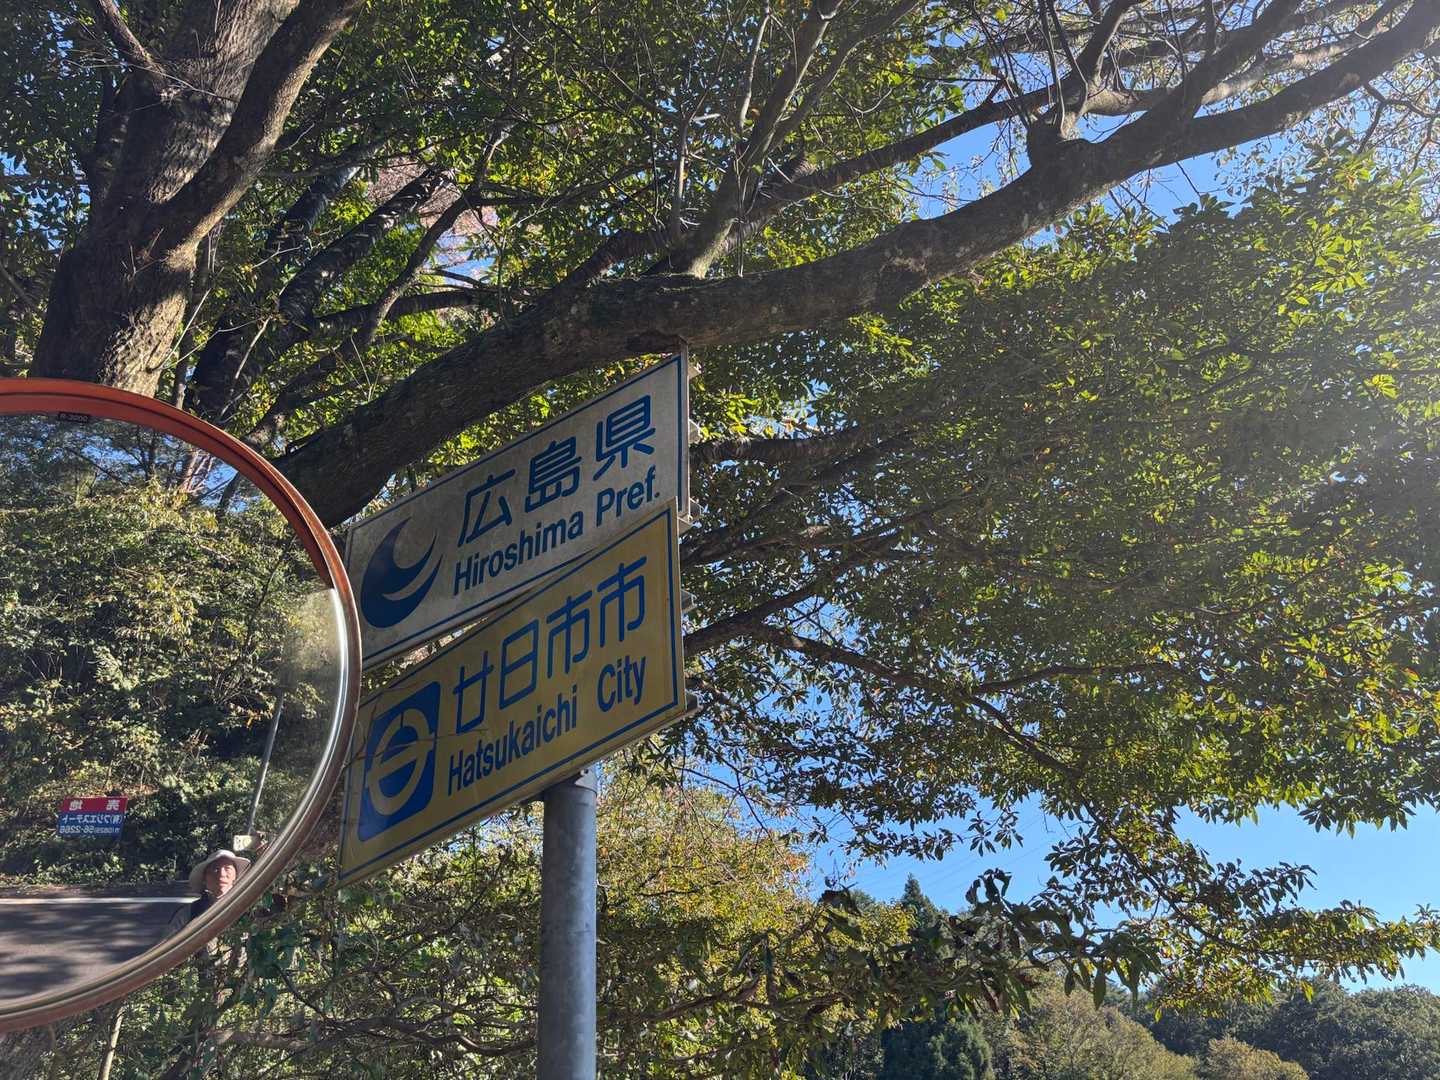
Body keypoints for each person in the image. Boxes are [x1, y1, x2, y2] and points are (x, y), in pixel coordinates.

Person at [165, 849, 251, 937]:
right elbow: (170, 943)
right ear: (205, 879)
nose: (221, 874)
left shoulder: (248, 911)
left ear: (235, 876)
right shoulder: (188, 913)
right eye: (215, 869)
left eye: (227, 869)